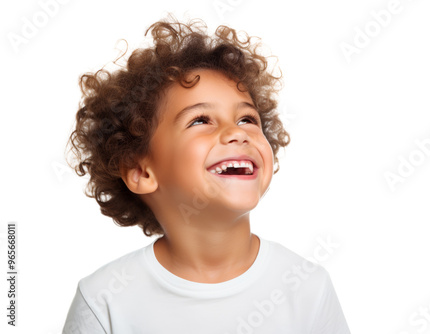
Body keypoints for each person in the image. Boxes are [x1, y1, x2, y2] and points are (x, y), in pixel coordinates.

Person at [63, 14, 350, 334]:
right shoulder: (104, 300)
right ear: (142, 171)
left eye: (247, 119)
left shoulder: (307, 287)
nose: (236, 133)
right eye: (201, 120)